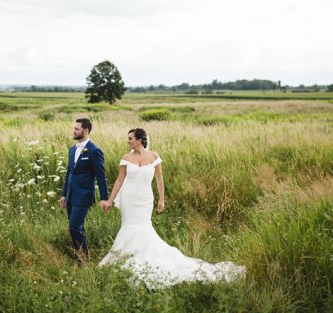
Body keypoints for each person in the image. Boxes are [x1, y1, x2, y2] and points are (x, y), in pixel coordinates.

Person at [99, 128, 246, 288]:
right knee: (129, 226)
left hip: (145, 200)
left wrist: (161, 199)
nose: (127, 141)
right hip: (129, 199)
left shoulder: (154, 157)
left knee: (144, 227)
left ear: (140, 140)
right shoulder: (126, 158)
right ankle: (124, 255)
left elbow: (159, 180)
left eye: (130, 138)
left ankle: (143, 255)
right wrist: (109, 200)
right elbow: (120, 181)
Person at [60, 118, 109, 265]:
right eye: (73, 128)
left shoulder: (95, 151)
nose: (73, 131)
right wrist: (63, 194)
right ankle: (81, 257)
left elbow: (101, 176)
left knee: (74, 227)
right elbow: (69, 173)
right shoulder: (72, 149)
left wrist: (104, 198)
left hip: (83, 196)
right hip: (70, 195)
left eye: (76, 129)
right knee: (77, 228)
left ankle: (83, 260)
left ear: (85, 131)